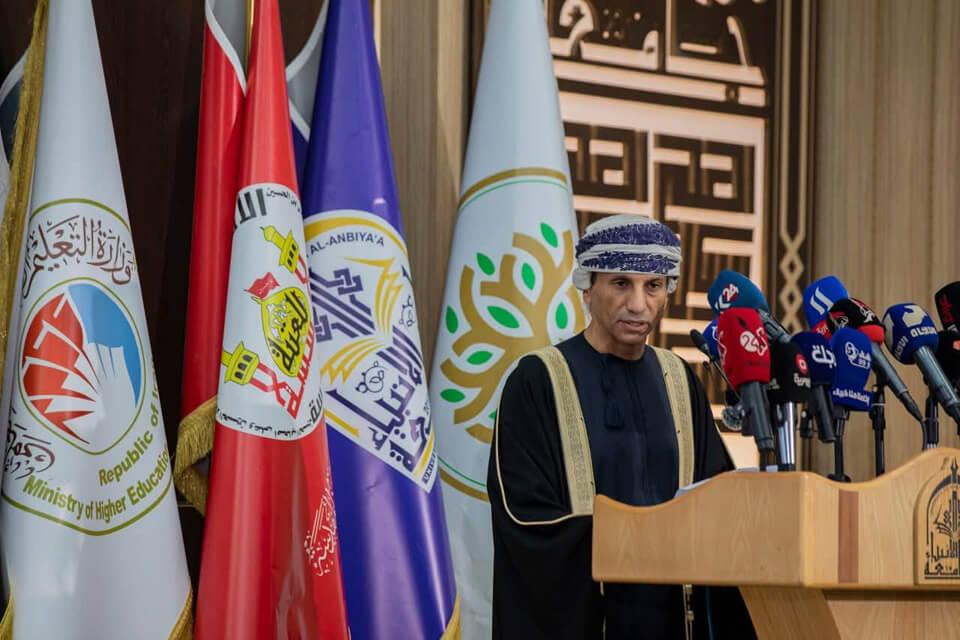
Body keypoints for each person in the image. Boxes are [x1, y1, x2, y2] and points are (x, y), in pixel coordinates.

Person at [487, 214, 756, 639]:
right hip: (588, 622)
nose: (638, 304)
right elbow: (524, 518)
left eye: (653, 286)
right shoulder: (538, 380)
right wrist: (634, 536)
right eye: (620, 284)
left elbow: (714, 493)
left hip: (672, 623)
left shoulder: (679, 379)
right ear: (587, 288)